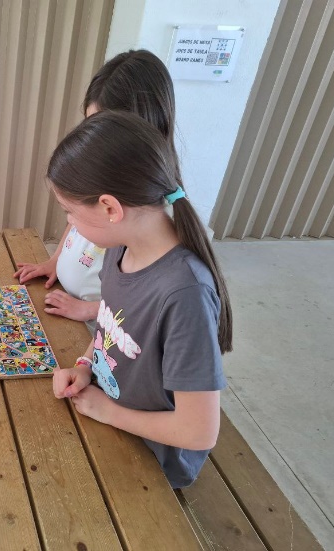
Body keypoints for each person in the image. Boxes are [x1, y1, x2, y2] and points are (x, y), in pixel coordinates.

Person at [49, 111, 233, 488]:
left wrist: (109, 412)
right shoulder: (121, 248)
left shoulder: (185, 294)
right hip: (109, 413)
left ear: (110, 208)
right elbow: (110, 324)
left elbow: (199, 432)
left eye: (70, 212)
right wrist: (85, 366)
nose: (69, 223)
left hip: (153, 456)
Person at [14, 49, 182, 334]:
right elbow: (77, 217)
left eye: (104, 127)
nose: (94, 137)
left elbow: (141, 302)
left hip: (103, 330)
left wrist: (90, 310)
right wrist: (56, 261)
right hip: (76, 312)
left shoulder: (148, 212)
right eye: (90, 124)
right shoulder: (104, 172)